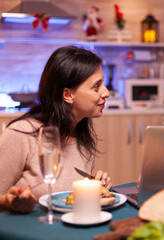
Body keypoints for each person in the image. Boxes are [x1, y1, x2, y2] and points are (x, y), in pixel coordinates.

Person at [0, 46, 112, 199]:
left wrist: (94, 186)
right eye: (96, 86)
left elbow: (68, 197)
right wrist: (9, 202)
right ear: (68, 95)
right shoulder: (21, 134)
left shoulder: (83, 136)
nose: (106, 93)